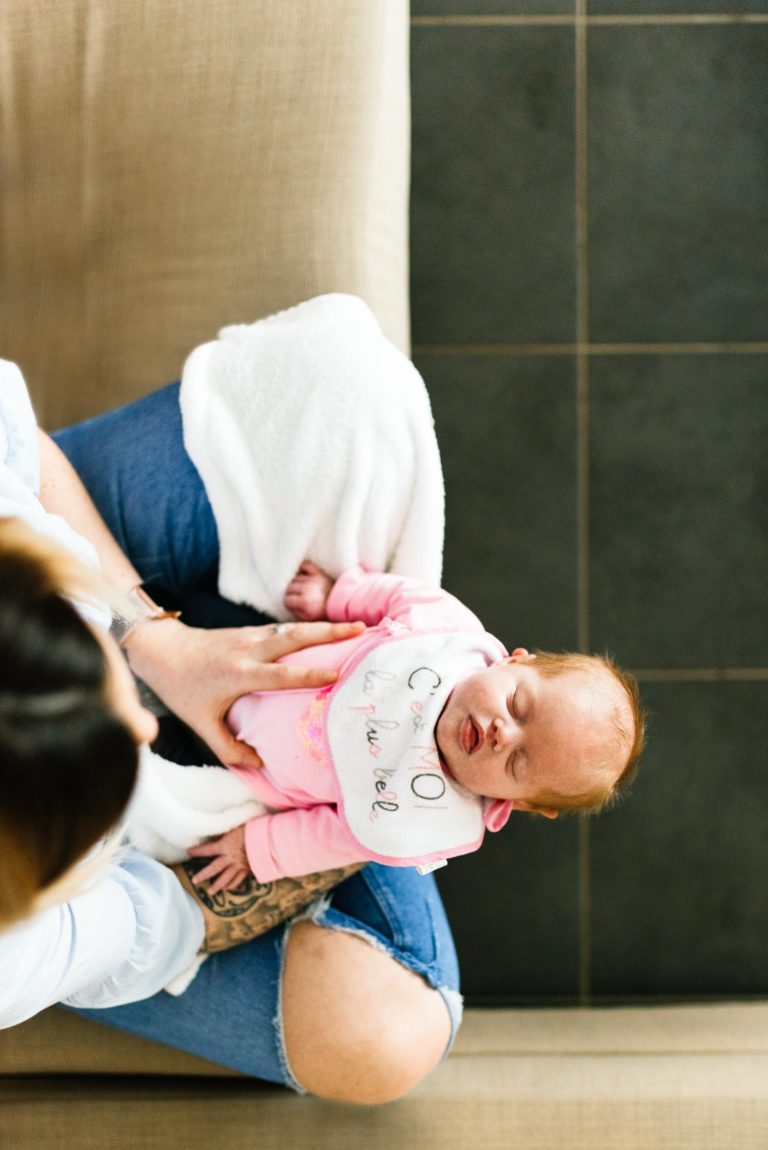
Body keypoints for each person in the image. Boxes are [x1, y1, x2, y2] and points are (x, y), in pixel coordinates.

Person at [0, 361, 459, 1104]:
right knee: (385, 1035)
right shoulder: (13, 954)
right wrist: (354, 821)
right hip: (270, 805)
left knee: (351, 397)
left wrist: (153, 640)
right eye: (125, 751)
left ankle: (217, 609)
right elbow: (160, 919)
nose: (147, 719)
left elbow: (16, 442)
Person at [172, 562, 644, 895]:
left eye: (519, 761)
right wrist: (337, 595)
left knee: (156, 752)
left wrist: (256, 849)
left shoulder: (420, 815)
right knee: (184, 608)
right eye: (518, 704)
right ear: (514, 661)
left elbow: (330, 836)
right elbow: (398, 596)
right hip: (256, 649)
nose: (504, 733)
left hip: (240, 758)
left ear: (516, 803)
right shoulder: (447, 633)